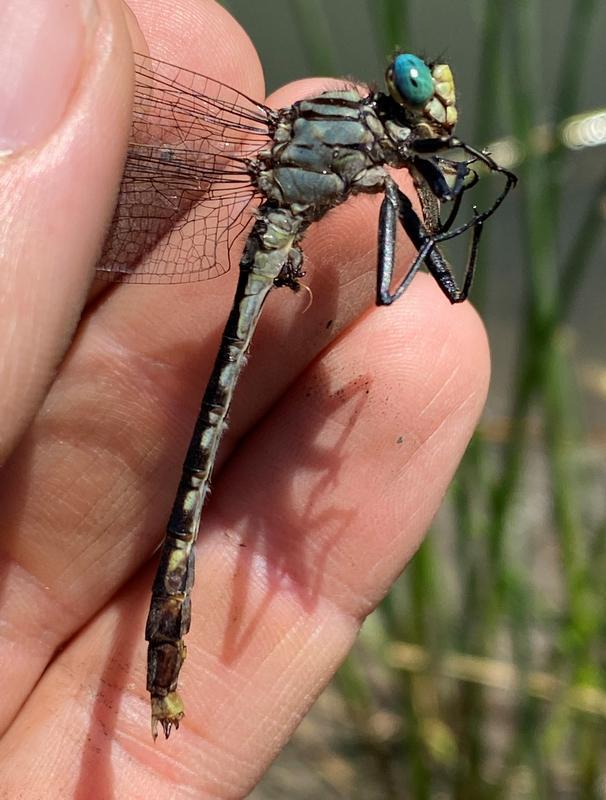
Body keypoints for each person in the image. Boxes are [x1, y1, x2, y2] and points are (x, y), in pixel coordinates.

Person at [0, 0, 490, 795]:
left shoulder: (370, 139)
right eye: (413, 90)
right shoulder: (364, 136)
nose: (425, 102)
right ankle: (167, 653)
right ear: (389, 103)